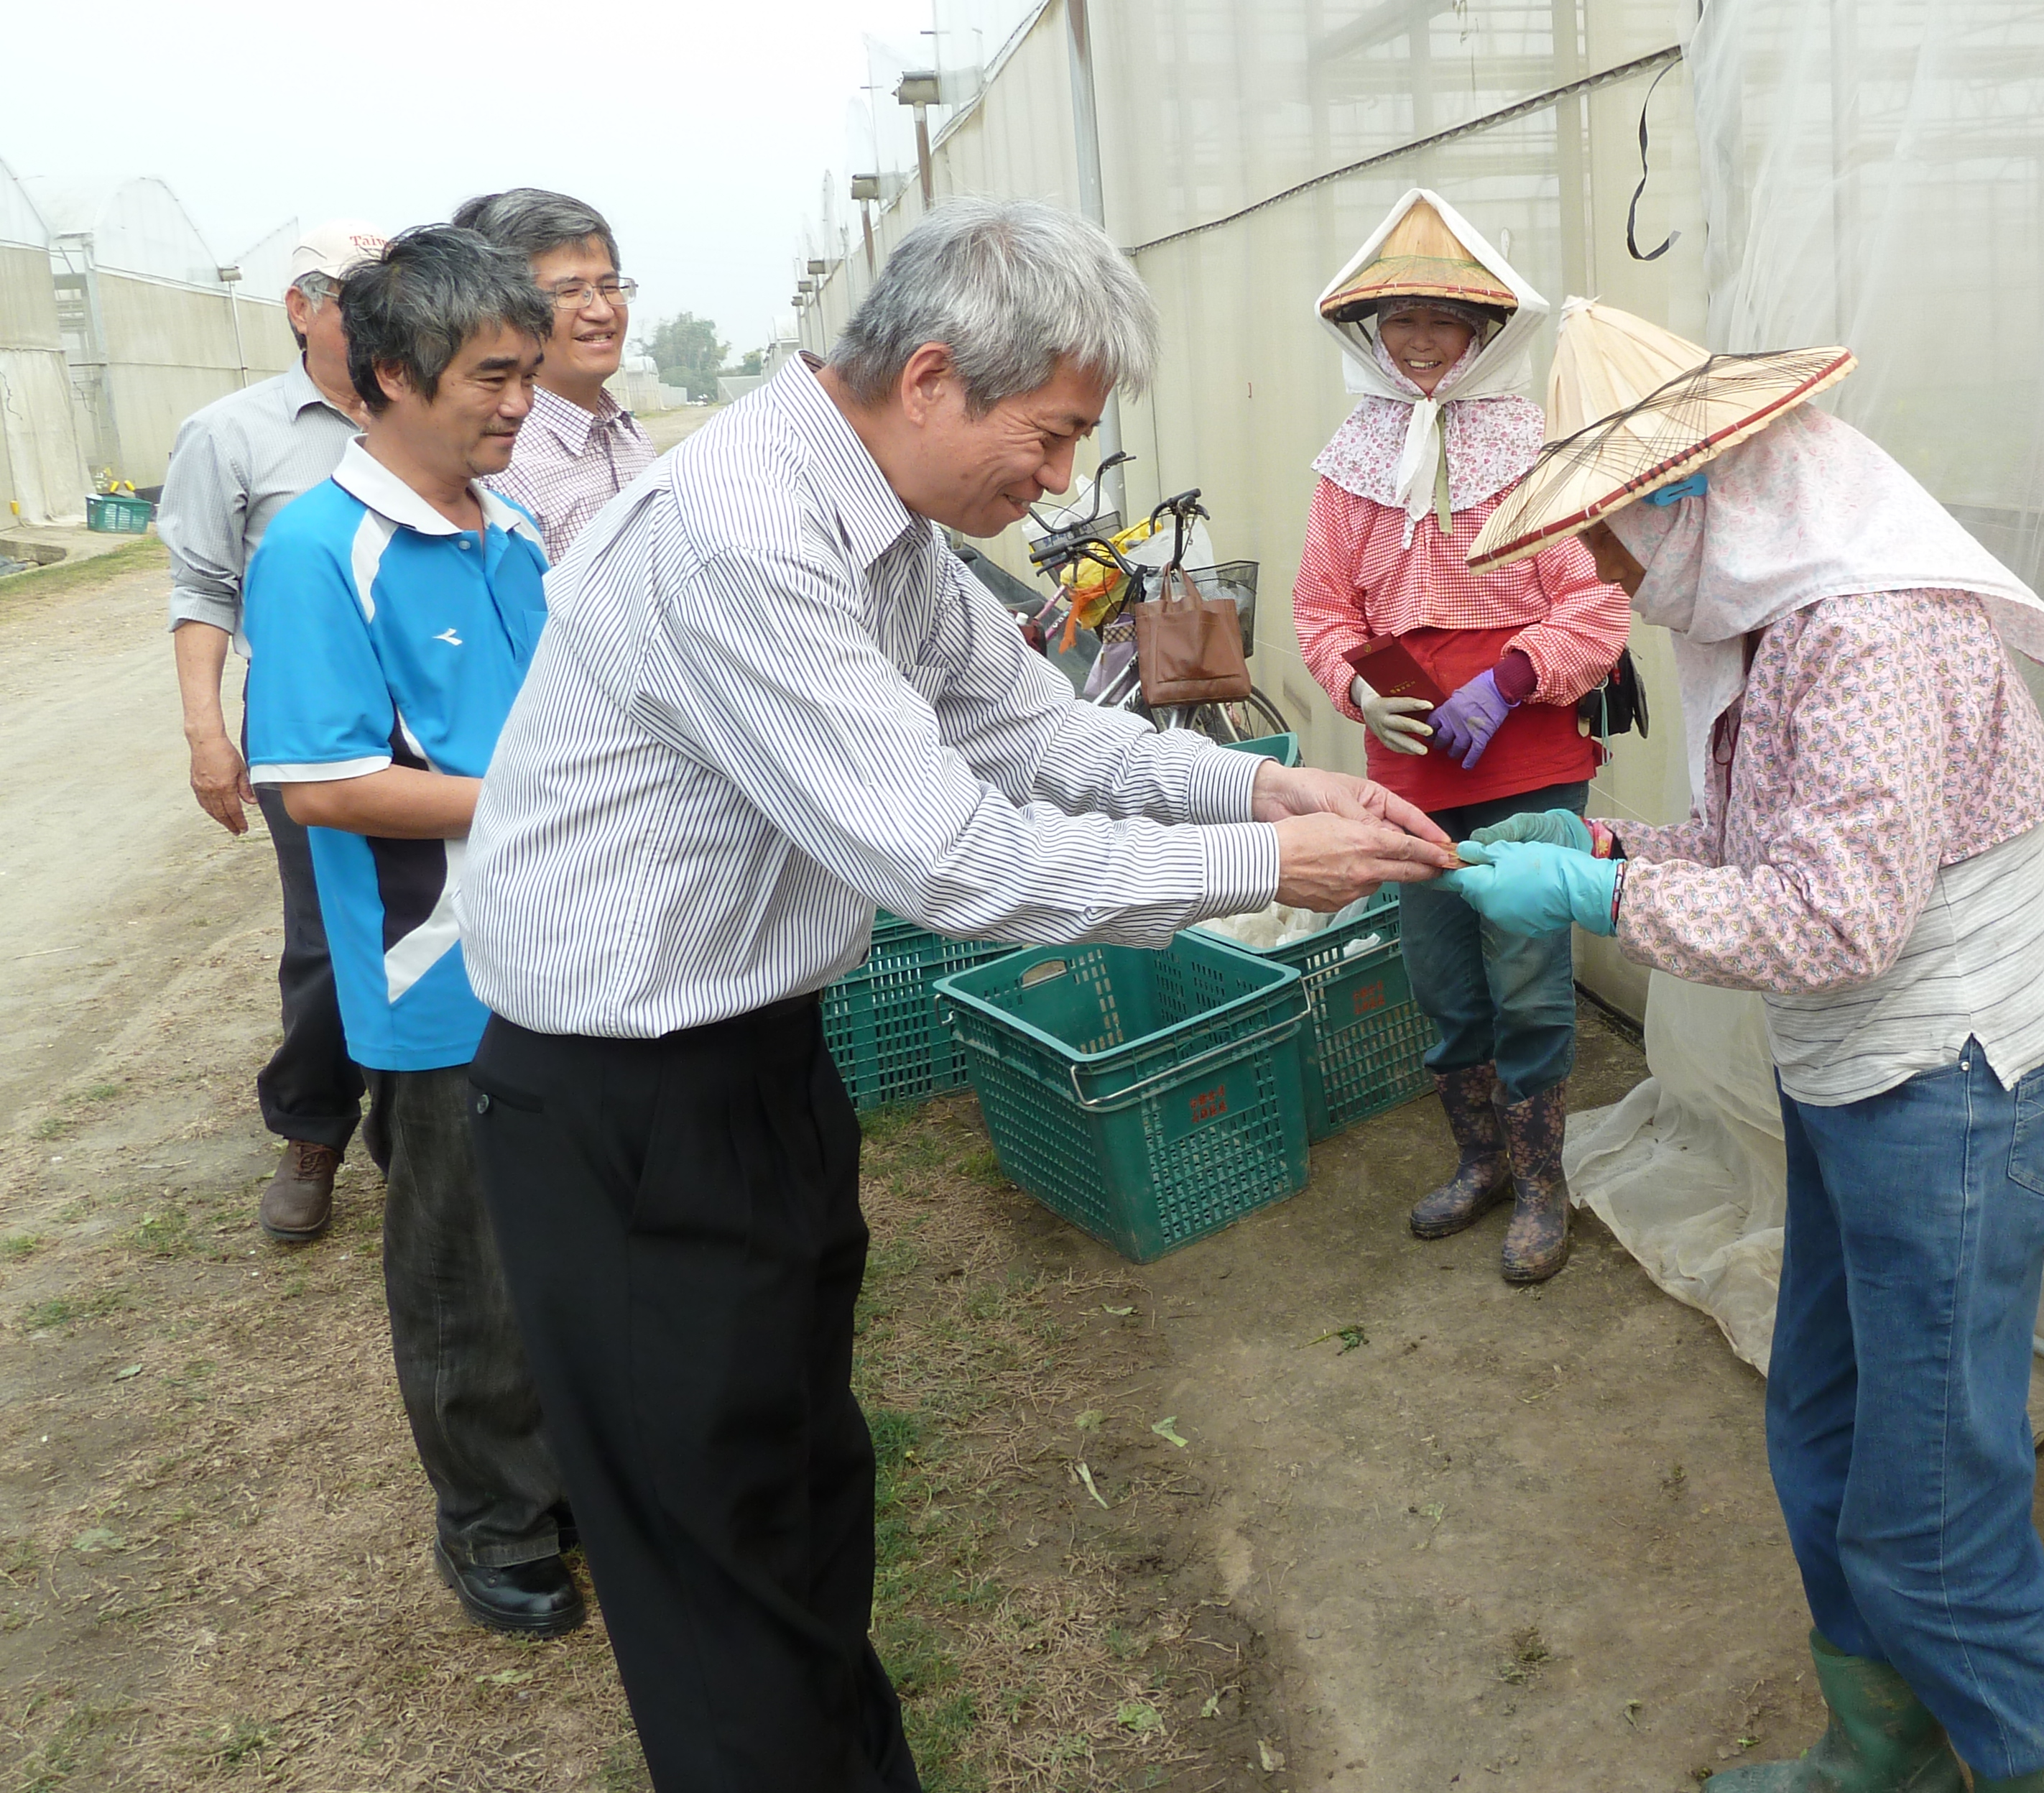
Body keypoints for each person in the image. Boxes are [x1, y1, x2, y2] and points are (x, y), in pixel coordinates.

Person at [455, 196, 1456, 1792]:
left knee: (800, 1491)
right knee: (716, 1565)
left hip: (753, 1060)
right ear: (931, 377)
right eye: (1050, 437)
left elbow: (1033, 729)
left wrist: (1257, 803)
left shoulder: (889, 533)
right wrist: (1260, 876)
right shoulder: (742, 535)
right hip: (625, 1102)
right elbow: (948, 857)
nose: (1056, 481)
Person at [1446, 299, 2044, 1793]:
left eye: (1609, 531)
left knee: (1926, 1500)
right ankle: (1876, 1747)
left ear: (1697, 493)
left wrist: (1602, 894)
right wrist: (1609, 835)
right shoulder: (1779, 620)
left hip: (1954, 1092)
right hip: (1865, 1087)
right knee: (1817, 1426)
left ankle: (2025, 1757)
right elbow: (1766, 844)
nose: (1601, 571)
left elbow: (1829, 923)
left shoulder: (1861, 631)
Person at [238, 225, 578, 1636]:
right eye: (492, 376)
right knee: (465, 1265)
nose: (520, 404)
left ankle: (565, 1474)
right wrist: (540, 797)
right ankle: (491, 1517)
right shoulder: (322, 550)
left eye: (529, 373)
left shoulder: (513, 532)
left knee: (560, 1238)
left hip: (563, 945)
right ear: (387, 373)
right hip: (434, 968)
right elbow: (316, 781)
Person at [1292, 191, 1631, 1281]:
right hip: (1409, 768)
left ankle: (1543, 1181)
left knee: (1529, 972)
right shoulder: (1350, 462)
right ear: (1372, 335)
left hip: (1530, 756)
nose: (1424, 341)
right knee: (1442, 976)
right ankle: (1482, 1161)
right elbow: (1320, 608)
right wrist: (1355, 686)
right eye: (1403, 322)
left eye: (1445, 320)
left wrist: (1513, 676)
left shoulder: (1536, 448)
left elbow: (1597, 606)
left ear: (1484, 332)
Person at [157, 218, 387, 1241]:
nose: (375, 307)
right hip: (306, 717)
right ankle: (313, 1129)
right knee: (331, 936)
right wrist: (210, 736)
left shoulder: (420, 411)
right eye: (350, 291)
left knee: (447, 913)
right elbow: (204, 591)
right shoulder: (233, 433)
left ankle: (418, 1130)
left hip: (430, 703)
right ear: (300, 308)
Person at [453, 187, 652, 558]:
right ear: (505, 307)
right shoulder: (499, 460)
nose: (602, 311)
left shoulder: (630, 436)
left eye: (610, 287)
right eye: (571, 291)